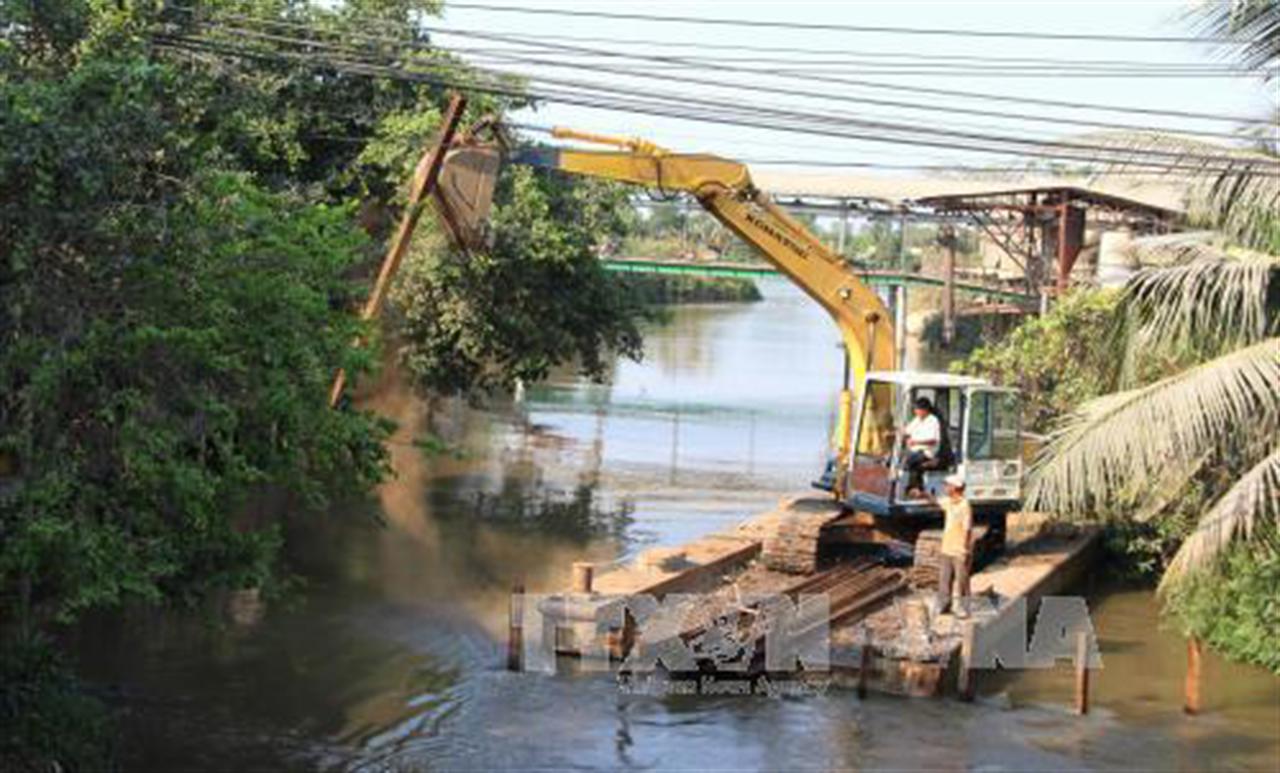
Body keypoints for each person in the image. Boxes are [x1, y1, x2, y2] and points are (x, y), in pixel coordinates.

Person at [929, 474, 973, 617]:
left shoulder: (964, 505)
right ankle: (944, 604)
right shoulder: (949, 502)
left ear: (955, 488)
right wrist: (922, 494)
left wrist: (965, 548)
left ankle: (962, 607)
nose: (946, 488)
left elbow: (967, 528)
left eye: (948, 485)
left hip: (959, 549)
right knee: (944, 578)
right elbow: (935, 501)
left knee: (961, 580)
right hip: (947, 548)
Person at [902, 396, 942, 497]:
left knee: (908, 460)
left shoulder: (933, 421)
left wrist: (916, 442)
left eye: (917, 409)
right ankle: (916, 488)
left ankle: (912, 488)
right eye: (915, 409)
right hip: (915, 450)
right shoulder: (918, 419)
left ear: (925, 410)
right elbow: (907, 431)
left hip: (926, 452)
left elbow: (933, 441)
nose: (916, 412)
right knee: (893, 458)